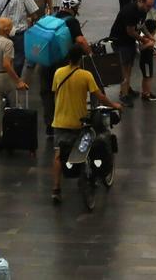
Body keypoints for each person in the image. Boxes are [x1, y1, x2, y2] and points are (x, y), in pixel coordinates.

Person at [50, 46, 122, 203]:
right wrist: (114, 105)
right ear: (81, 59)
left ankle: (56, 189)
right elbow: (99, 96)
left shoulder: (58, 73)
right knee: (86, 148)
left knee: (58, 155)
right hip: (78, 121)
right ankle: (90, 176)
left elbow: (56, 94)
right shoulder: (85, 75)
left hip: (59, 120)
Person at [39, 0, 92, 136]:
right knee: (61, 93)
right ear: (74, 7)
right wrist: (90, 52)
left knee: (47, 94)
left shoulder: (51, 17)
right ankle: (61, 124)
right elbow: (80, 40)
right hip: (61, 64)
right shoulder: (71, 21)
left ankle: (49, 126)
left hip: (45, 62)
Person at [0, 17, 28, 145]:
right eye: (11, 26)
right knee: (14, 105)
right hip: (4, 78)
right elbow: (7, 65)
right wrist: (18, 81)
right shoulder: (8, 44)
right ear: (6, 29)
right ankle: (14, 134)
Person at [109, 0, 155, 105]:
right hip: (120, 41)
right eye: (148, 6)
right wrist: (143, 39)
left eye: (151, 6)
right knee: (125, 68)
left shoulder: (143, 10)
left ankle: (127, 89)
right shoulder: (130, 11)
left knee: (129, 65)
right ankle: (124, 95)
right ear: (141, 1)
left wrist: (149, 35)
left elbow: (141, 24)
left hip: (128, 41)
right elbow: (130, 31)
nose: (149, 9)